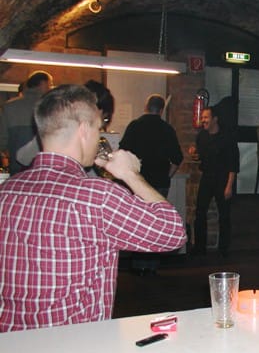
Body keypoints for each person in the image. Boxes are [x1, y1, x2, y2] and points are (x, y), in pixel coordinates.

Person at [0, 84, 186, 332]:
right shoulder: (96, 196)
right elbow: (173, 233)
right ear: (84, 130)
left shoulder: (7, 191)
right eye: (99, 128)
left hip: (10, 345)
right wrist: (130, 175)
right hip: (75, 345)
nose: (100, 135)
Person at [192, 106, 239, 257]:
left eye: (206, 117)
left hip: (223, 179)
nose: (203, 120)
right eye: (202, 118)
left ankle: (224, 249)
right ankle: (199, 248)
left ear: (215, 119)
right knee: (200, 212)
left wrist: (229, 186)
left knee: (224, 215)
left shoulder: (227, 137)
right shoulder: (202, 136)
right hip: (207, 177)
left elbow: (233, 164)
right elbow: (201, 157)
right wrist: (195, 154)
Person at [119, 94, 183, 197]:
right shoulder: (167, 129)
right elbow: (177, 158)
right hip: (160, 183)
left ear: (146, 107)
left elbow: (122, 152)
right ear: (161, 110)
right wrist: (166, 177)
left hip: (138, 182)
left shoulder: (135, 126)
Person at [0, 70, 53, 174]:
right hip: (44, 171)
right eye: (50, 85)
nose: (50, 89)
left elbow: (2, 141)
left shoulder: (9, 107)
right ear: (43, 84)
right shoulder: (50, 108)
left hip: (17, 169)